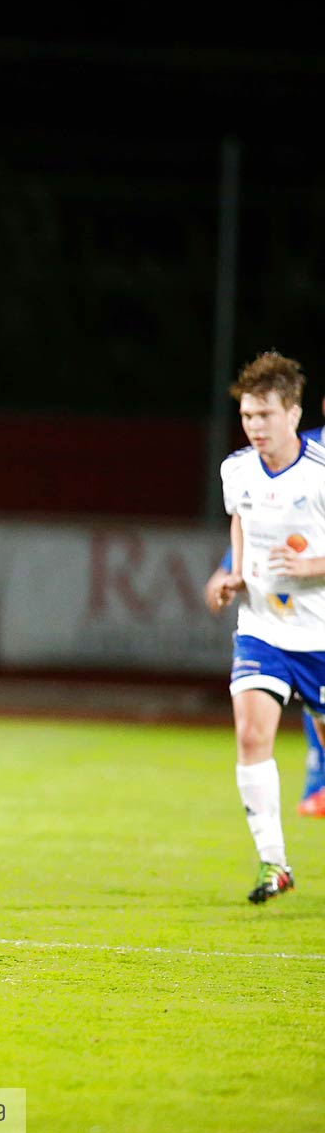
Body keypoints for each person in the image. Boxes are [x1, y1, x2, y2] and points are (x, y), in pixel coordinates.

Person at [204, 350, 321, 904]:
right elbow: (240, 522)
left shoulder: (320, 472)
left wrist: (315, 566)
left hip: (321, 635)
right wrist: (232, 573)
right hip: (264, 630)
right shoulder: (237, 469)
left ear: (293, 414)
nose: (254, 428)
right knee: (252, 736)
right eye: (248, 417)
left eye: (265, 416)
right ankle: (274, 864)